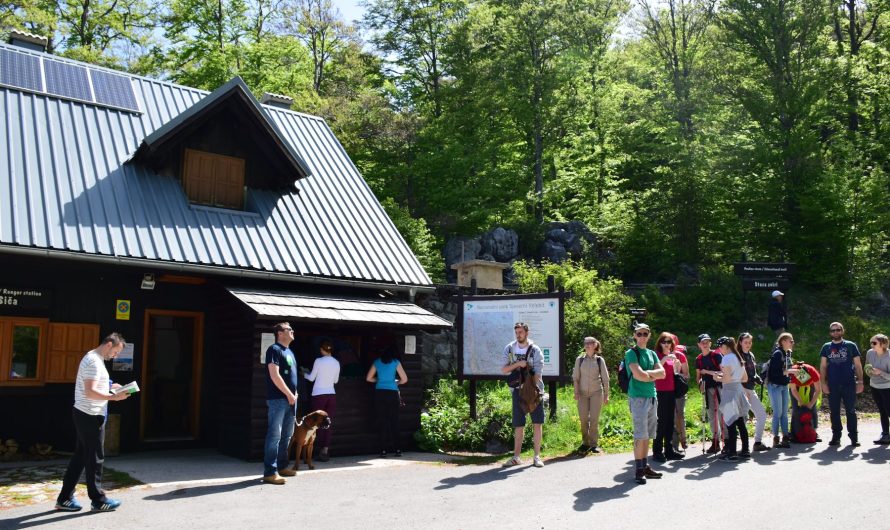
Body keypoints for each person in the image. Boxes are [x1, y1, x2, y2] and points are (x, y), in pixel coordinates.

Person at [55, 333, 130, 513]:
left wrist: (111, 387)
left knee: (81, 457)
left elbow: (94, 386)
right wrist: (114, 397)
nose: (116, 356)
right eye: (116, 352)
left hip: (86, 413)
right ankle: (98, 500)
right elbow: (90, 392)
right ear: (109, 344)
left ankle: (64, 499)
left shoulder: (94, 358)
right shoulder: (94, 361)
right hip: (89, 414)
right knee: (95, 458)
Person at [625, 323, 666, 484]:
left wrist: (647, 374)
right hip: (638, 398)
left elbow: (662, 373)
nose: (642, 336)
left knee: (647, 435)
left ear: (649, 336)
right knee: (640, 435)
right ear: (635, 335)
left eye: (645, 334)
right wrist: (650, 374)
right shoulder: (631, 353)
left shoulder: (651, 354)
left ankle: (645, 465)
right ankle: (639, 470)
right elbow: (637, 375)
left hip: (651, 397)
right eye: (639, 334)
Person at [501, 322, 546, 467]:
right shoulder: (509, 348)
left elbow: (538, 374)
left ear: (527, 333)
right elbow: (504, 369)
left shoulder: (535, 350)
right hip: (517, 391)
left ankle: (537, 457)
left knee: (537, 423)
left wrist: (528, 382)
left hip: (534, 391)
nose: (518, 335)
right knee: (518, 424)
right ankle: (516, 457)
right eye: (516, 332)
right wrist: (518, 365)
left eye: (521, 332)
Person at [263, 322, 299, 485]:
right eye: (288, 329)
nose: (292, 331)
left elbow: (290, 376)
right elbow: (274, 375)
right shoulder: (274, 350)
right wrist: (289, 394)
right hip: (278, 400)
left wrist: (294, 393)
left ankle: (282, 466)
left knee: (286, 435)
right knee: (275, 436)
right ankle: (270, 472)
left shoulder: (289, 351)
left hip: (290, 400)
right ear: (279, 333)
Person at [819, 322, 864, 446]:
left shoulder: (851, 345)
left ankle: (854, 437)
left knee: (850, 411)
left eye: (838, 330)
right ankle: (836, 437)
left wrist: (860, 381)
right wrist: (823, 383)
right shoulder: (826, 347)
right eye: (833, 330)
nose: (835, 332)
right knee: (834, 412)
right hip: (833, 384)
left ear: (842, 331)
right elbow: (823, 367)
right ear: (830, 333)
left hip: (849, 383)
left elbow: (858, 365)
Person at [366, 345, 408, 457]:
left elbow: (368, 378)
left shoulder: (377, 362)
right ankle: (398, 450)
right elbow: (404, 379)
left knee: (382, 421)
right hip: (392, 393)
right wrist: (396, 383)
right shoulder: (396, 362)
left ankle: (383, 450)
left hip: (379, 393)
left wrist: (379, 380)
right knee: (394, 421)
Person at [305, 340, 340, 461]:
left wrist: (304, 373)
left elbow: (311, 378)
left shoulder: (318, 361)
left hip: (318, 394)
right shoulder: (336, 362)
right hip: (331, 394)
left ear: (322, 349)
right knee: (327, 423)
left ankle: (316, 450)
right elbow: (335, 381)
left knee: (317, 423)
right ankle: (325, 450)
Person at [652, 332, 685, 462]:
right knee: (661, 422)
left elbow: (675, 373)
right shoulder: (657, 355)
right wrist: (666, 358)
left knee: (670, 422)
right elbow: (656, 368)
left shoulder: (672, 356)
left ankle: (669, 450)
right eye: (664, 342)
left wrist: (677, 364)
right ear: (659, 343)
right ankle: (657, 451)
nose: (666, 344)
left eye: (669, 342)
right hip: (660, 391)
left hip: (671, 391)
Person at [572, 336, 609, 453]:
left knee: (594, 419)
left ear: (595, 345)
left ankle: (594, 444)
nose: (587, 345)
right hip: (582, 394)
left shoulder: (599, 360)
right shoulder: (580, 359)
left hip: (597, 393)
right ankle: (585, 442)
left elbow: (606, 379)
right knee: (583, 419)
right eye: (585, 343)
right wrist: (576, 392)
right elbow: (576, 378)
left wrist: (607, 395)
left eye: (590, 343)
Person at [716, 337, 750, 462]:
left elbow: (726, 379)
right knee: (740, 422)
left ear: (725, 347)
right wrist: (729, 377)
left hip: (730, 392)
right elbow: (744, 378)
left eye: (720, 347)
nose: (720, 350)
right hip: (739, 390)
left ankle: (732, 453)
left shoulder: (726, 358)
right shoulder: (738, 357)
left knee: (730, 423)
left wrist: (717, 377)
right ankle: (745, 450)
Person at [738, 332, 770, 451]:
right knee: (743, 418)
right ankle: (742, 446)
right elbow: (736, 375)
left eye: (750, 342)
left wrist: (757, 377)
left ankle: (757, 442)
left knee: (761, 414)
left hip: (750, 389)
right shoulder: (738, 356)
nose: (748, 344)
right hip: (742, 390)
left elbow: (753, 371)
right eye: (745, 342)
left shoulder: (750, 355)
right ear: (740, 342)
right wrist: (742, 390)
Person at [695, 334, 724, 454]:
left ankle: (726, 440)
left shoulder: (716, 355)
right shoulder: (698, 359)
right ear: (699, 345)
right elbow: (698, 377)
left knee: (722, 414)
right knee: (711, 415)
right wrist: (700, 383)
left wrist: (707, 372)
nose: (705, 344)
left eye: (707, 342)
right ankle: (715, 441)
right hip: (707, 389)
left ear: (710, 344)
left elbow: (723, 372)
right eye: (703, 342)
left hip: (719, 387)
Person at [768, 332, 793, 449]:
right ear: (783, 341)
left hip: (784, 386)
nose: (792, 343)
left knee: (784, 413)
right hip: (775, 386)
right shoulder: (778, 354)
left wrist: (792, 371)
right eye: (790, 341)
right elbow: (774, 373)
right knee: (777, 413)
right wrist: (789, 372)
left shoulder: (787, 353)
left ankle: (785, 437)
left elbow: (787, 368)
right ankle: (776, 438)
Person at [865, 334, 890, 444]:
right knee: (882, 410)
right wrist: (869, 372)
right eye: (871, 343)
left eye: (874, 343)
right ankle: (885, 435)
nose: (872, 345)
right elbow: (867, 366)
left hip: (887, 387)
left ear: (883, 344)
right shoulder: (870, 353)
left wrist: (880, 372)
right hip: (874, 385)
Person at [789, 362, 822, 443]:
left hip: (810, 386)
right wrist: (800, 401)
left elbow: (818, 390)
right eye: (801, 378)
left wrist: (811, 403)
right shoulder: (793, 372)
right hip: (795, 388)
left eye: (804, 378)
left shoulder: (813, 372)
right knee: (796, 409)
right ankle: (794, 433)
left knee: (813, 409)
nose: (803, 381)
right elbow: (793, 390)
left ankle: (813, 431)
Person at [671, 335, 690, 454]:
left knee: (680, 416)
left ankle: (683, 439)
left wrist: (676, 374)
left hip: (678, 391)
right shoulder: (661, 355)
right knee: (671, 417)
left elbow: (687, 376)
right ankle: (674, 444)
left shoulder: (680, 355)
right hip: (666, 391)